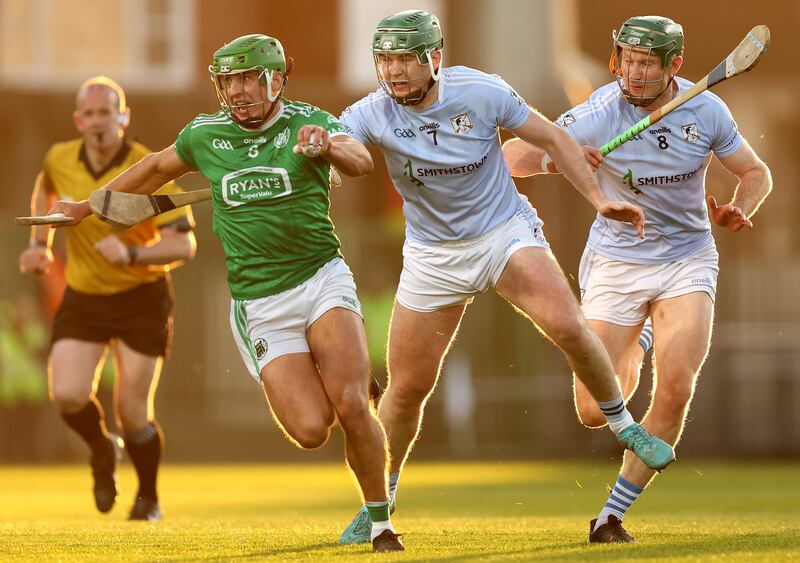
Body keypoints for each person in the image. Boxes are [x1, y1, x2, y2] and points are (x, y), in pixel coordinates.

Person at [48, 35, 403, 552]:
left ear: (275, 79)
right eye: (227, 80)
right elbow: (152, 171)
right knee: (311, 429)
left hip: (321, 278)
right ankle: (339, 379)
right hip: (260, 303)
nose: (235, 91)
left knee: (352, 403)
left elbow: (360, 159)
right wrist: (86, 205)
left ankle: (380, 524)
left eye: (246, 78)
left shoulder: (308, 121)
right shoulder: (204, 134)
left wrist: (328, 146)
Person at [338, 9, 676, 544]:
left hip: (503, 232)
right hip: (432, 254)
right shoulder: (368, 112)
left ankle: (623, 426)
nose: (394, 71)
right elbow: (345, 154)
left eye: (406, 58)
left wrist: (598, 198)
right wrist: (319, 148)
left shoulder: (482, 92)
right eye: (385, 59)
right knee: (406, 391)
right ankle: (379, 503)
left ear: (434, 58)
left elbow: (554, 138)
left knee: (568, 326)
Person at [503, 16, 772, 543]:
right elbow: (514, 158)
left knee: (675, 387)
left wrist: (741, 207)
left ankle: (611, 516)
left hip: (687, 259)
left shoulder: (706, 109)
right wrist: (563, 160)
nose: (635, 69)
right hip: (616, 264)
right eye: (628, 58)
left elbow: (756, 172)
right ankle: (641, 336)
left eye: (647, 61)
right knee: (592, 410)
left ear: (674, 66)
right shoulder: (597, 113)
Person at [18, 76, 197, 521]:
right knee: (68, 395)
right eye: (90, 114)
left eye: (106, 112)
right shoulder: (60, 158)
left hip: (141, 298)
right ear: (79, 120)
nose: (98, 121)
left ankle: (148, 499)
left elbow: (184, 246)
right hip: (86, 297)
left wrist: (132, 252)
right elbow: (47, 190)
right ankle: (101, 450)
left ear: (124, 117)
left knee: (133, 410)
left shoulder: (150, 167)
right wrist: (40, 246)